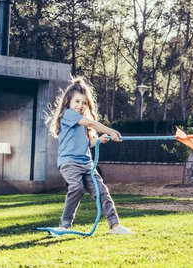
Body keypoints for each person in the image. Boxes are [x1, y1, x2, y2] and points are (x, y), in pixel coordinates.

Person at [46, 76, 132, 235]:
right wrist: (111, 131)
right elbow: (92, 124)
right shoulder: (68, 115)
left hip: (87, 165)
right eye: (77, 101)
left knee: (102, 192)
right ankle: (64, 226)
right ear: (68, 102)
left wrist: (99, 140)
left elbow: (88, 143)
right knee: (76, 187)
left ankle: (115, 225)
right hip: (69, 163)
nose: (80, 105)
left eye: (84, 103)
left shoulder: (82, 122)